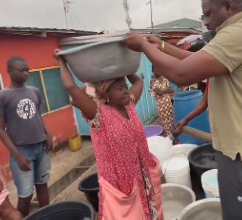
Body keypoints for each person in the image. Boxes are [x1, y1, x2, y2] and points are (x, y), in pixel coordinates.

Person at [124, 0, 242, 220]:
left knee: (238, 214)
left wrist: (144, 48)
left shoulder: (240, 33)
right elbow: (194, 61)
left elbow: (182, 74)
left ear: (229, 6)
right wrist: (164, 47)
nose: (206, 21)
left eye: (209, 14)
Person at [53, 49, 163, 220]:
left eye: (126, 87)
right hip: (120, 183)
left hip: (141, 176)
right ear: (107, 93)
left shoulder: (129, 106)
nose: (126, 90)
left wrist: (123, 65)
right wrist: (61, 61)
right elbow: (70, 87)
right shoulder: (98, 114)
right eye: (120, 88)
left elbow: (139, 82)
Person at [0, 57, 52, 217]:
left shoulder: (34, 91)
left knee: (43, 185)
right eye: (21, 70)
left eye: (27, 70)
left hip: (41, 147)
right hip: (22, 151)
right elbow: (1, 129)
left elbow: (38, 115)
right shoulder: (3, 96)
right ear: (9, 71)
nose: (25, 73)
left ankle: (48, 215)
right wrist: (17, 156)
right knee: (26, 193)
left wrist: (48, 133)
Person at [150, 66, 174, 136]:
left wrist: (163, 90)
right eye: (156, 69)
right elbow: (159, 93)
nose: (159, 71)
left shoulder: (164, 79)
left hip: (169, 104)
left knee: (172, 121)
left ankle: (173, 137)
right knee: (165, 123)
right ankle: (169, 138)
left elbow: (172, 89)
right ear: (153, 71)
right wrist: (166, 90)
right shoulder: (153, 81)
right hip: (161, 107)